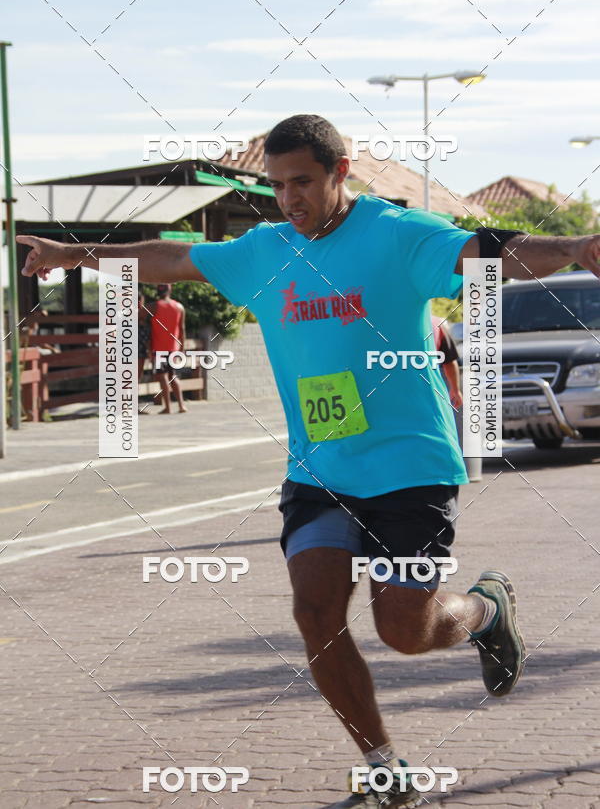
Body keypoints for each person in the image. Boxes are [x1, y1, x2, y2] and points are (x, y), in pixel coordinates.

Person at [16, 115, 600, 808]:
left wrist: (577, 245)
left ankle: (484, 610)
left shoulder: (394, 233)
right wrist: (72, 253)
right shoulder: (264, 252)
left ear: (339, 172)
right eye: (277, 186)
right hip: (320, 471)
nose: (289, 199)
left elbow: (488, 252)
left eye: (303, 182)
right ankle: (382, 764)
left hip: (411, 465)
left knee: (404, 632)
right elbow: (171, 258)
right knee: (316, 615)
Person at [149, 283, 187, 414]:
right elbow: (182, 329)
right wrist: (182, 347)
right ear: (170, 290)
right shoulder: (179, 307)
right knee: (173, 376)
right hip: (174, 348)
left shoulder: (154, 306)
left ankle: (168, 407)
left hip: (159, 348)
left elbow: (143, 322)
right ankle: (182, 405)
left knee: (162, 376)